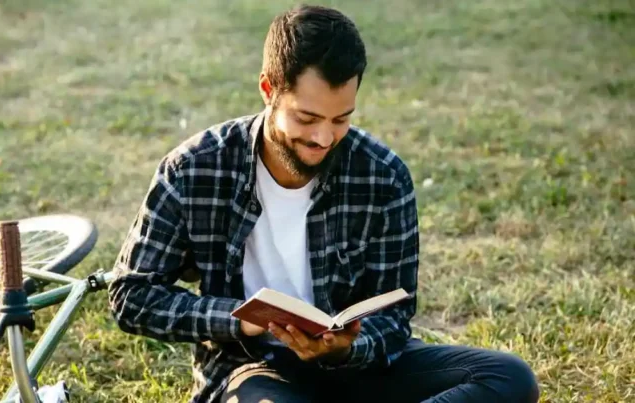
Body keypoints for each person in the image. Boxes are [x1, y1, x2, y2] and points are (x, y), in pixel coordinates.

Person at [108, 4, 540, 403]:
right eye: (307, 118)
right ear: (267, 89)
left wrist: (346, 347)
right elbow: (131, 295)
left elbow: (394, 315)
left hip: (357, 367)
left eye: (341, 119)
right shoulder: (195, 168)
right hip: (252, 367)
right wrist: (241, 319)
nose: (323, 138)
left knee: (508, 379)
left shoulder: (382, 175)